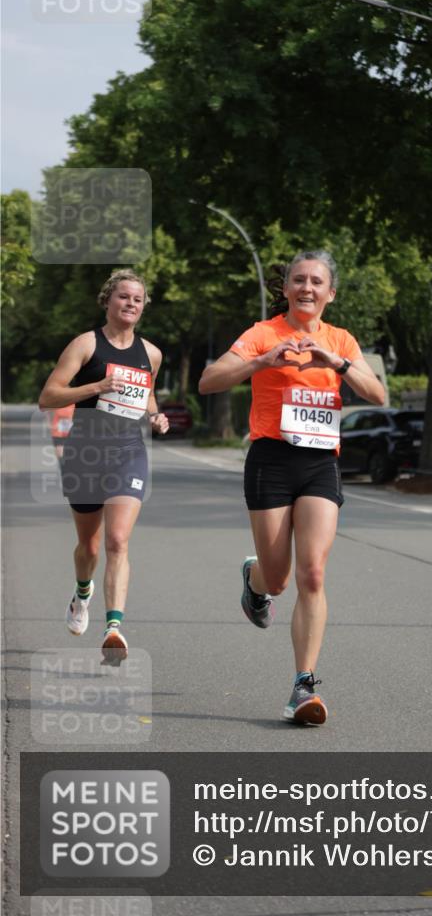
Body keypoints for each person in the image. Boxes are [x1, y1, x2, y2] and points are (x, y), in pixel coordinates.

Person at [199, 251, 385, 723]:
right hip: (272, 459)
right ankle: (255, 580)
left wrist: (338, 363)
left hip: (321, 462)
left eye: (316, 281)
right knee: (278, 578)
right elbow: (209, 380)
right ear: (285, 289)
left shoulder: (341, 339)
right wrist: (261, 360)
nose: (307, 287)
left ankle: (303, 686)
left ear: (330, 293)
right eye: (298, 280)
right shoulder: (263, 333)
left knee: (313, 574)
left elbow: (378, 393)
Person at [38, 270, 169, 664]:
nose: (130, 304)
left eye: (138, 299)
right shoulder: (85, 344)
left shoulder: (152, 353)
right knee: (89, 545)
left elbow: (146, 396)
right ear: (108, 301)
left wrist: (156, 417)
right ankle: (82, 593)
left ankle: (113, 627)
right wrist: (96, 387)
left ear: (143, 307)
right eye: (124, 297)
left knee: (117, 541)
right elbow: (49, 396)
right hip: (85, 452)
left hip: (128, 451)